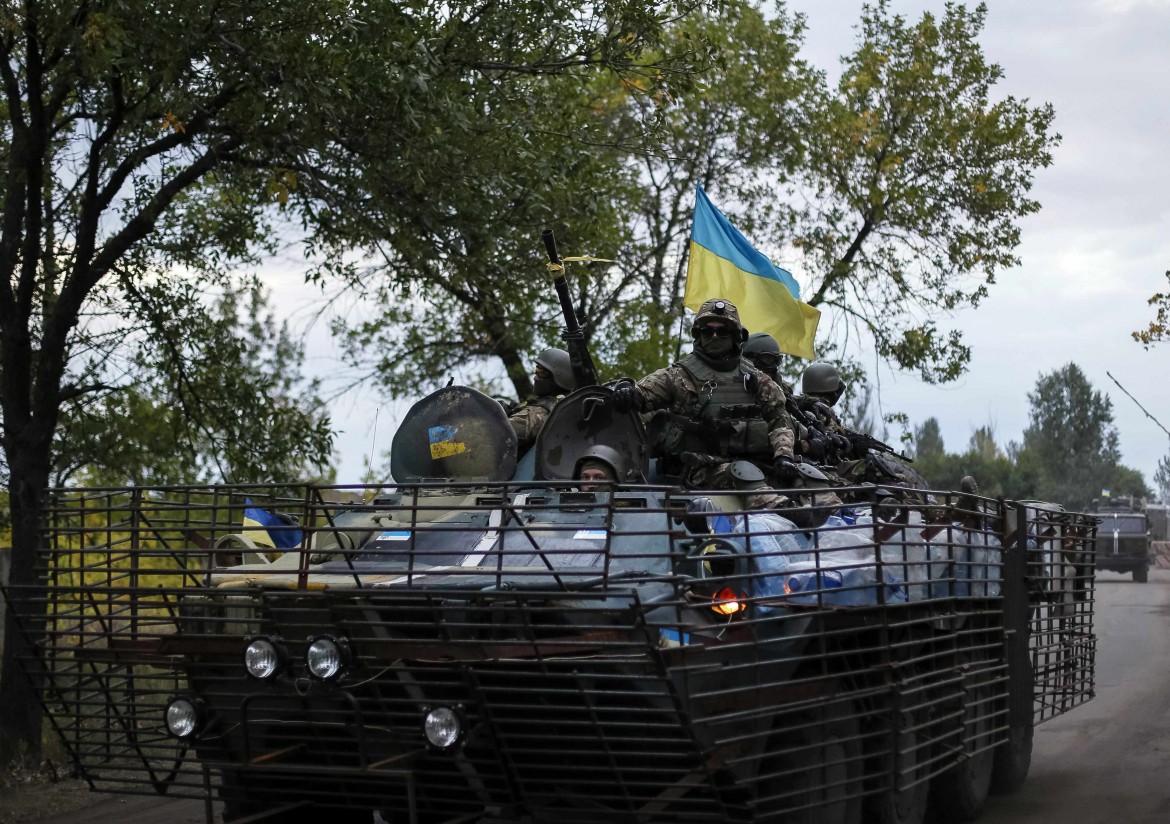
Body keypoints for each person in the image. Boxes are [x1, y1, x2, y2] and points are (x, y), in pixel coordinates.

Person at [610, 298, 798, 488]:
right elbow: (641, 394)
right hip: (696, 470)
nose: (714, 336)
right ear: (698, 335)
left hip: (755, 464)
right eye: (708, 331)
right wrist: (626, 392)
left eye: (722, 331)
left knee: (809, 481)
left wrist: (783, 456)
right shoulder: (677, 376)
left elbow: (779, 417)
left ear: (735, 336)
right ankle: (778, 509)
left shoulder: (756, 379)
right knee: (746, 480)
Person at [509, 348, 575, 452]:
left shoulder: (542, 412)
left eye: (542, 373)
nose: (535, 377)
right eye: (537, 370)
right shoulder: (555, 407)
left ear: (560, 379)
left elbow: (497, 432)